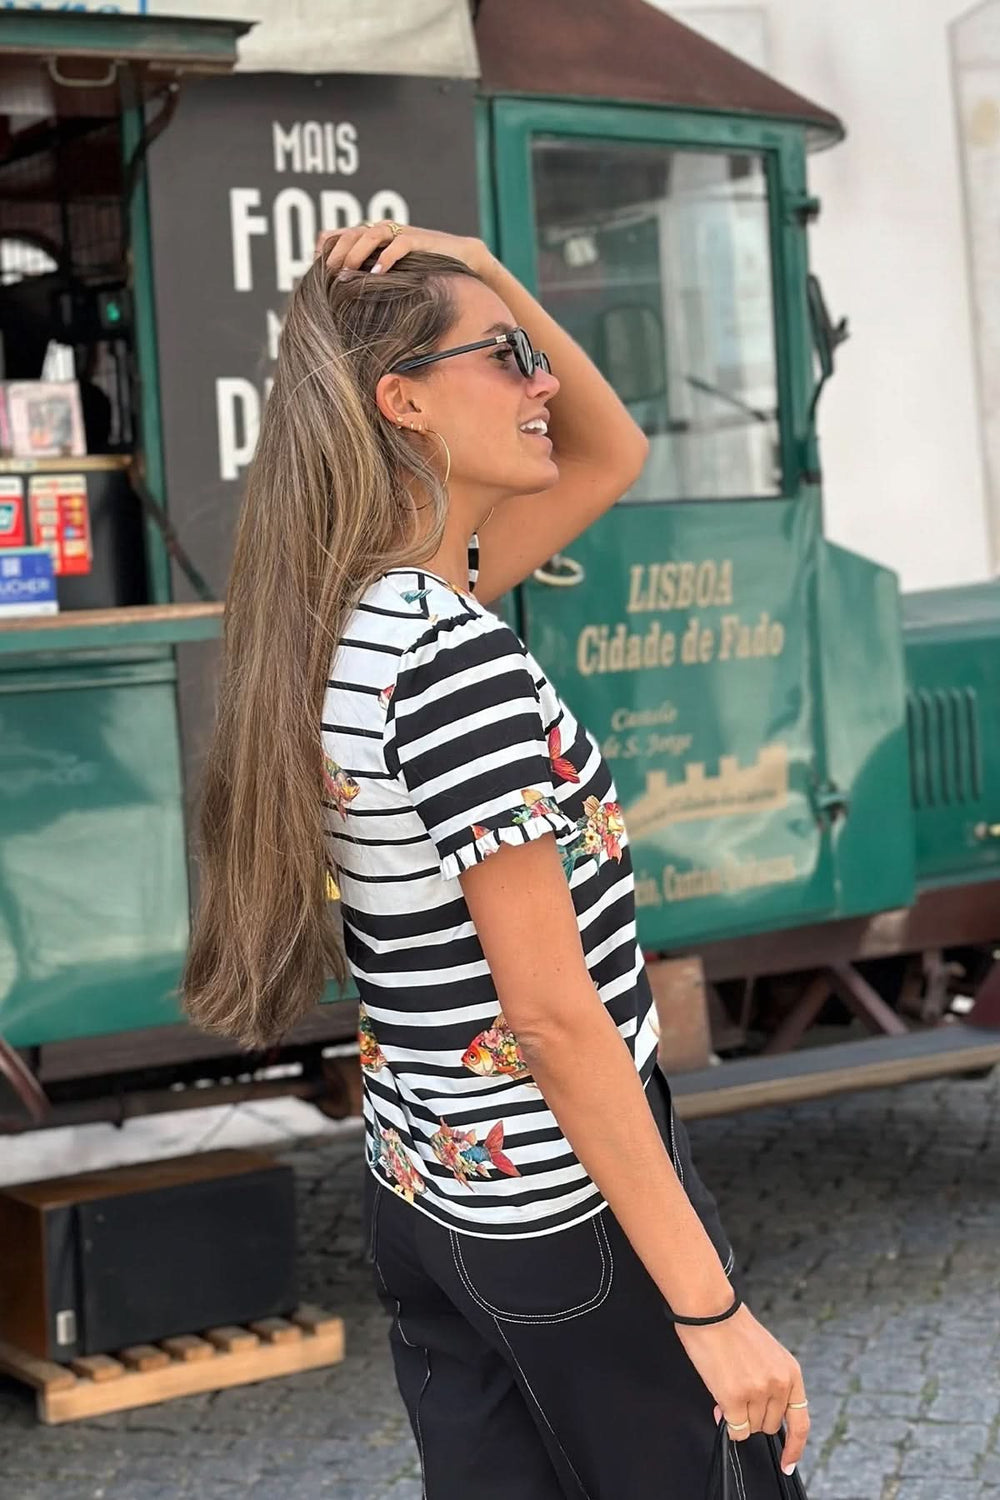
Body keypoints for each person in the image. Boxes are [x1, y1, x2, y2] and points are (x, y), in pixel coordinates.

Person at [182, 221, 810, 1499]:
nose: (544, 382)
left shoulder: (341, 621)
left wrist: (480, 264)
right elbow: (552, 1016)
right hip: (564, 1199)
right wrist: (710, 1311)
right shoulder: (449, 655)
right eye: (508, 356)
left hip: (427, 1192)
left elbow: (610, 450)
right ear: (401, 400)